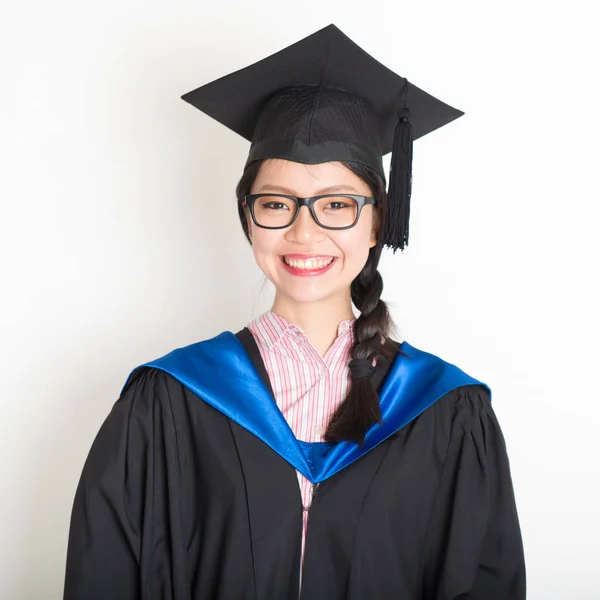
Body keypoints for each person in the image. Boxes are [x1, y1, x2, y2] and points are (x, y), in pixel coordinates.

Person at [63, 24, 526, 600]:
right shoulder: (167, 401)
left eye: (336, 204)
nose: (304, 232)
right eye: (276, 204)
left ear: (379, 219)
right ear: (247, 216)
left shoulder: (448, 412)